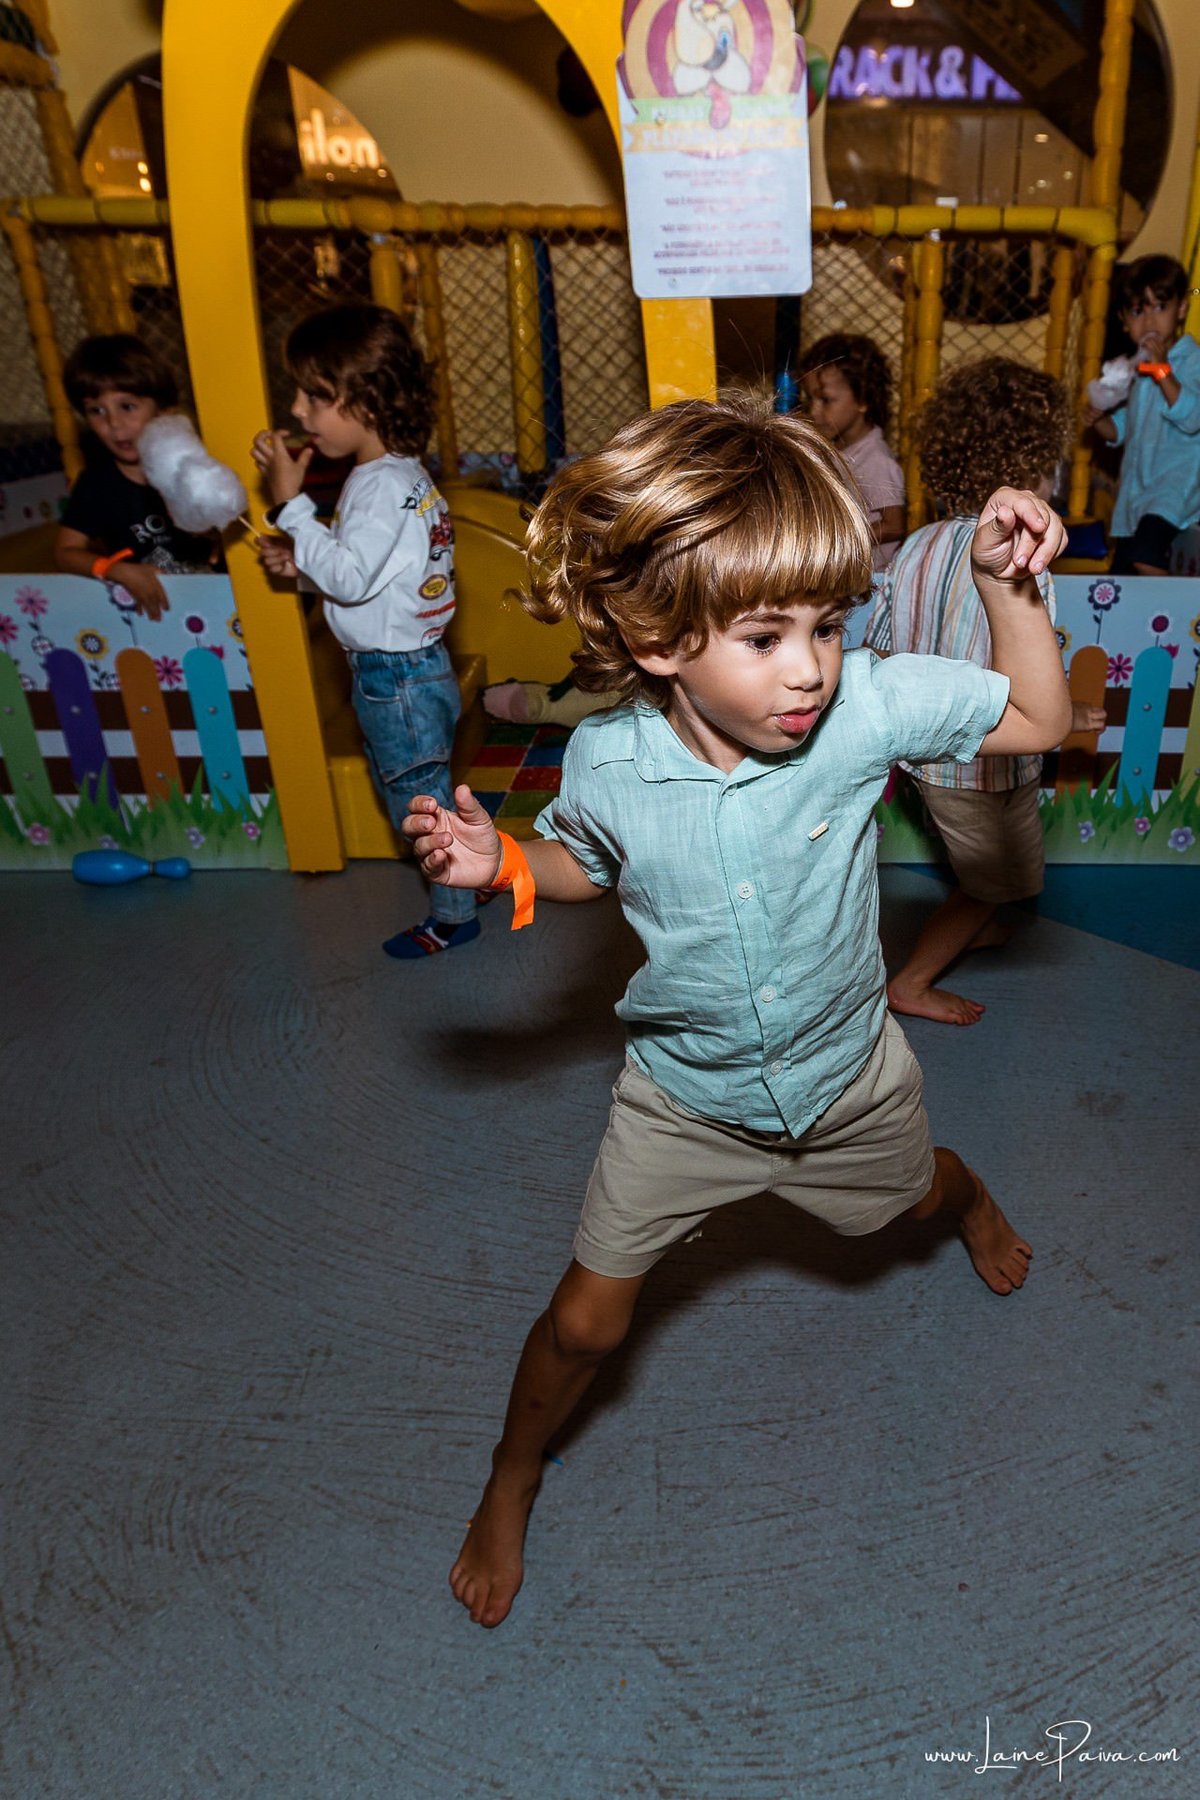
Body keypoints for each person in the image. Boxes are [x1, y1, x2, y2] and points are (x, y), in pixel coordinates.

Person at [402, 392, 1072, 1629]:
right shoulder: (605, 760)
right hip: (685, 1100)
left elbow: (1040, 718)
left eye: (828, 622)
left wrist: (1006, 589)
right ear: (659, 638)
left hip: (845, 1078)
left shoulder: (862, 705)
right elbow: (584, 863)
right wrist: (497, 865)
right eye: (765, 635)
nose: (811, 664)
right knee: (587, 1321)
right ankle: (510, 1475)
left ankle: (970, 1195)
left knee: (912, 1202)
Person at [864, 356, 1101, 1028]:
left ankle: (981, 919)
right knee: (1003, 878)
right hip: (986, 765)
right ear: (1034, 464)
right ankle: (912, 980)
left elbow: (882, 648)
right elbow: (1025, 681)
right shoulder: (1023, 563)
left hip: (924, 754)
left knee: (982, 869)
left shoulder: (916, 545)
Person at [251, 302, 477, 959]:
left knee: (417, 806)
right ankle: (471, 872)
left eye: (316, 396)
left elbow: (351, 579)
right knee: (414, 792)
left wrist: (292, 506)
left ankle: (456, 912)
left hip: (396, 679)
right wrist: (302, 567)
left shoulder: (377, 487)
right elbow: (378, 580)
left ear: (366, 400)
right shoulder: (402, 476)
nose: (298, 410)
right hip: (412, 667)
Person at [54, 334, 218, 619]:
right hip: (148, 615)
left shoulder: (197, 467)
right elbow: (65, 552)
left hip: (217, 605)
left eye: (127, 406)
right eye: (97, 411)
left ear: (165, 410)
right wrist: (113, 569)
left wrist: (214, 532)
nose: (114, 423)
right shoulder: (96, 483)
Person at [1083, 254, 1200, 575]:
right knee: (1121, 575)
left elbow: (1192, 417)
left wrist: (1164, 373)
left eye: (1159, 307)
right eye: (1138, 311)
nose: (1149, 321)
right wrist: (1100, 420)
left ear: (1181, 309)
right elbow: (1122, 430)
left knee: (1145, 556)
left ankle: (1183, 614)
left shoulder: (1191, 361)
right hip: (1137, 492)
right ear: (1124, 320)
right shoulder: (1135, 369)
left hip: (1175, 488)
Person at [798, 333, 906, 569]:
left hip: (869, 581)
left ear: (863, 400)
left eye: (826, 400)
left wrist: (839, 539)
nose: (814, 412)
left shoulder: (875, 459)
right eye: (810, 399)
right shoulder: (838, 448)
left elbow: (894, 525)